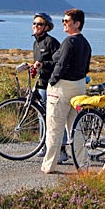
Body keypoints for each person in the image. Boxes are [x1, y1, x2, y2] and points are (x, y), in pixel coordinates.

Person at [41, 8, 92, 174]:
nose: (63, 23)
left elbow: (61, 65)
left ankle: (49, 165)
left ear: (76, 24)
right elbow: (85, 68)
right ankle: (83, 164)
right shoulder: (86, 44)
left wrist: (52, 81)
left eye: (66, 21)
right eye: (63, 21)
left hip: (61, 88)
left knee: (54, 128)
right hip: (79, 87)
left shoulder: (69, 42)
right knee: (76, 129)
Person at [31, 12, 69, 163]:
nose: (36, 26)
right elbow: (39, 61)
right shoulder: (36, 43)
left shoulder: (51, 42)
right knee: (42, 117)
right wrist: (33, 67)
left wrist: (43, 65)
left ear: (46, 27)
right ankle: (44, 146)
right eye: (34, 23)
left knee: (55, 118)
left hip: (52, 85)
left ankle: (62, 150)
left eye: (39, 24)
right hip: (41, 84)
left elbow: (59, 63)